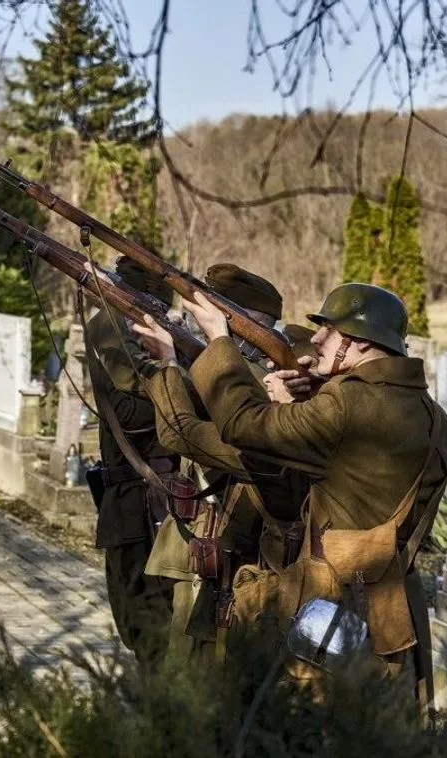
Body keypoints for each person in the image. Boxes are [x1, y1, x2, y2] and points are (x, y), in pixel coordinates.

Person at [137, 281, 447, 711]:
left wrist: (217, 342)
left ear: (358, 344)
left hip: (324, 609)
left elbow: (242, 425)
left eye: (328, 331)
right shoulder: (434, 415)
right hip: (390, 609)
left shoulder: (345, 406)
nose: (315, 339)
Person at [134, 264, 311, 662]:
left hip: (233, 556)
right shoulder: (227, 370)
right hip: (201, 544)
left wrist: (167, 361)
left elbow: (178, 431)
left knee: (202, 669)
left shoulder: (252, 386)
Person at [83, 256, 178, 656]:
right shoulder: (109, 328)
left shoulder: (136, 340)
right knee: (142, 629)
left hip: (150, 506)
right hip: (135, 503)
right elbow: (126, 408)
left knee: (152, 628)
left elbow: (136, 409)